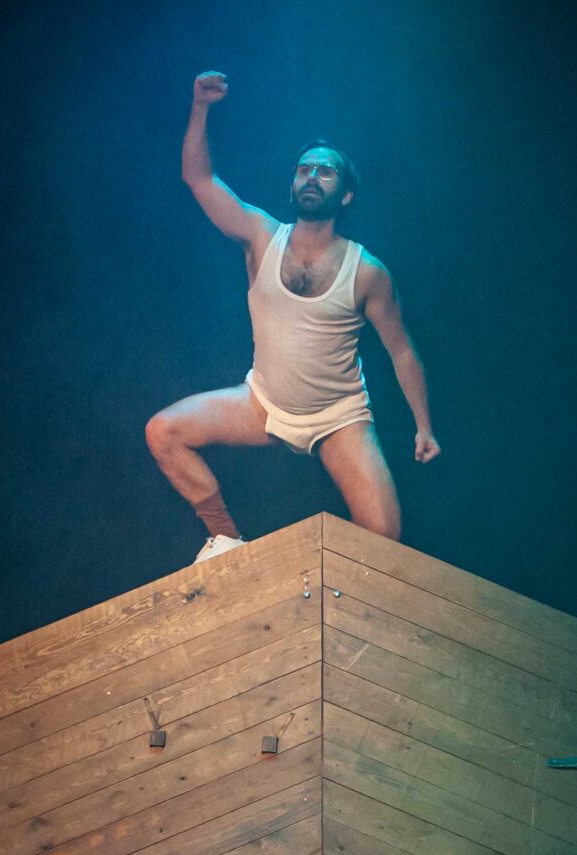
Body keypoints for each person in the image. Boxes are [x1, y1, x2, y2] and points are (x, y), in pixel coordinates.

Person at [146, 69, 440, 563]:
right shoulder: (261, 235)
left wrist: (423, 425)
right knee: (163, 433)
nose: (312, 176)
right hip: (264, 403)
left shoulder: (367, 272)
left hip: (339, 416)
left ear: (345, 194)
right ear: (293, 184)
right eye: (304, 169)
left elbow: (402, 351)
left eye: (325, 171)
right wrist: (200, 107)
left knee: (384, 535)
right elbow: (199, 178)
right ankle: (225, 540)